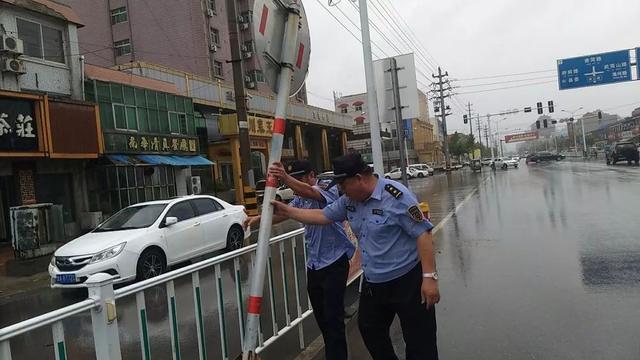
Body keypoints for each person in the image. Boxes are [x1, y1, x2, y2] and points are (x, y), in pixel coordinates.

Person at [270, 153, 440, 360]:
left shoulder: (396, 196)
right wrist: (288, 211)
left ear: (359, 178)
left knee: (420, 343)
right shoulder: (349, 201)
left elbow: (423, 233)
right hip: (374, 283)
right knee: (371, 331)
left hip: (407, 281)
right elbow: (323, 215)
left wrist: (429, 277)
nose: (340, 189)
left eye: (343, 184)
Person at [245, 160, 355, 360]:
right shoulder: (299, 198)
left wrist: (285, 178)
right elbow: (284, 213)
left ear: (311, 175)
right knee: (322, 317)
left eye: (298, 178)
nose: (294, 183)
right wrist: (257, 220)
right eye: (292, 178)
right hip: (315, 264)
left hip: (334, 262)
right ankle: (333, 352)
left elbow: (311, 193)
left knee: (333, 318)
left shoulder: (324, 186)